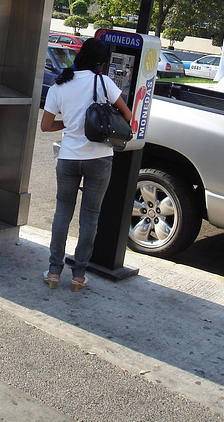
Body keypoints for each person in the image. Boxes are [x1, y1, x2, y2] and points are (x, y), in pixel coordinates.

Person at [41, 37, 132, 292]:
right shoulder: (104, 83)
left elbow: (46, 126)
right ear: (101, 63)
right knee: (89, 218)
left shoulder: (60, 85)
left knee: (62, 213)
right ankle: (78, 276)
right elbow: (127, 115)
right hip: (99, 159)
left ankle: (53, 271)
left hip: (68, 158)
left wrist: (70, 125)